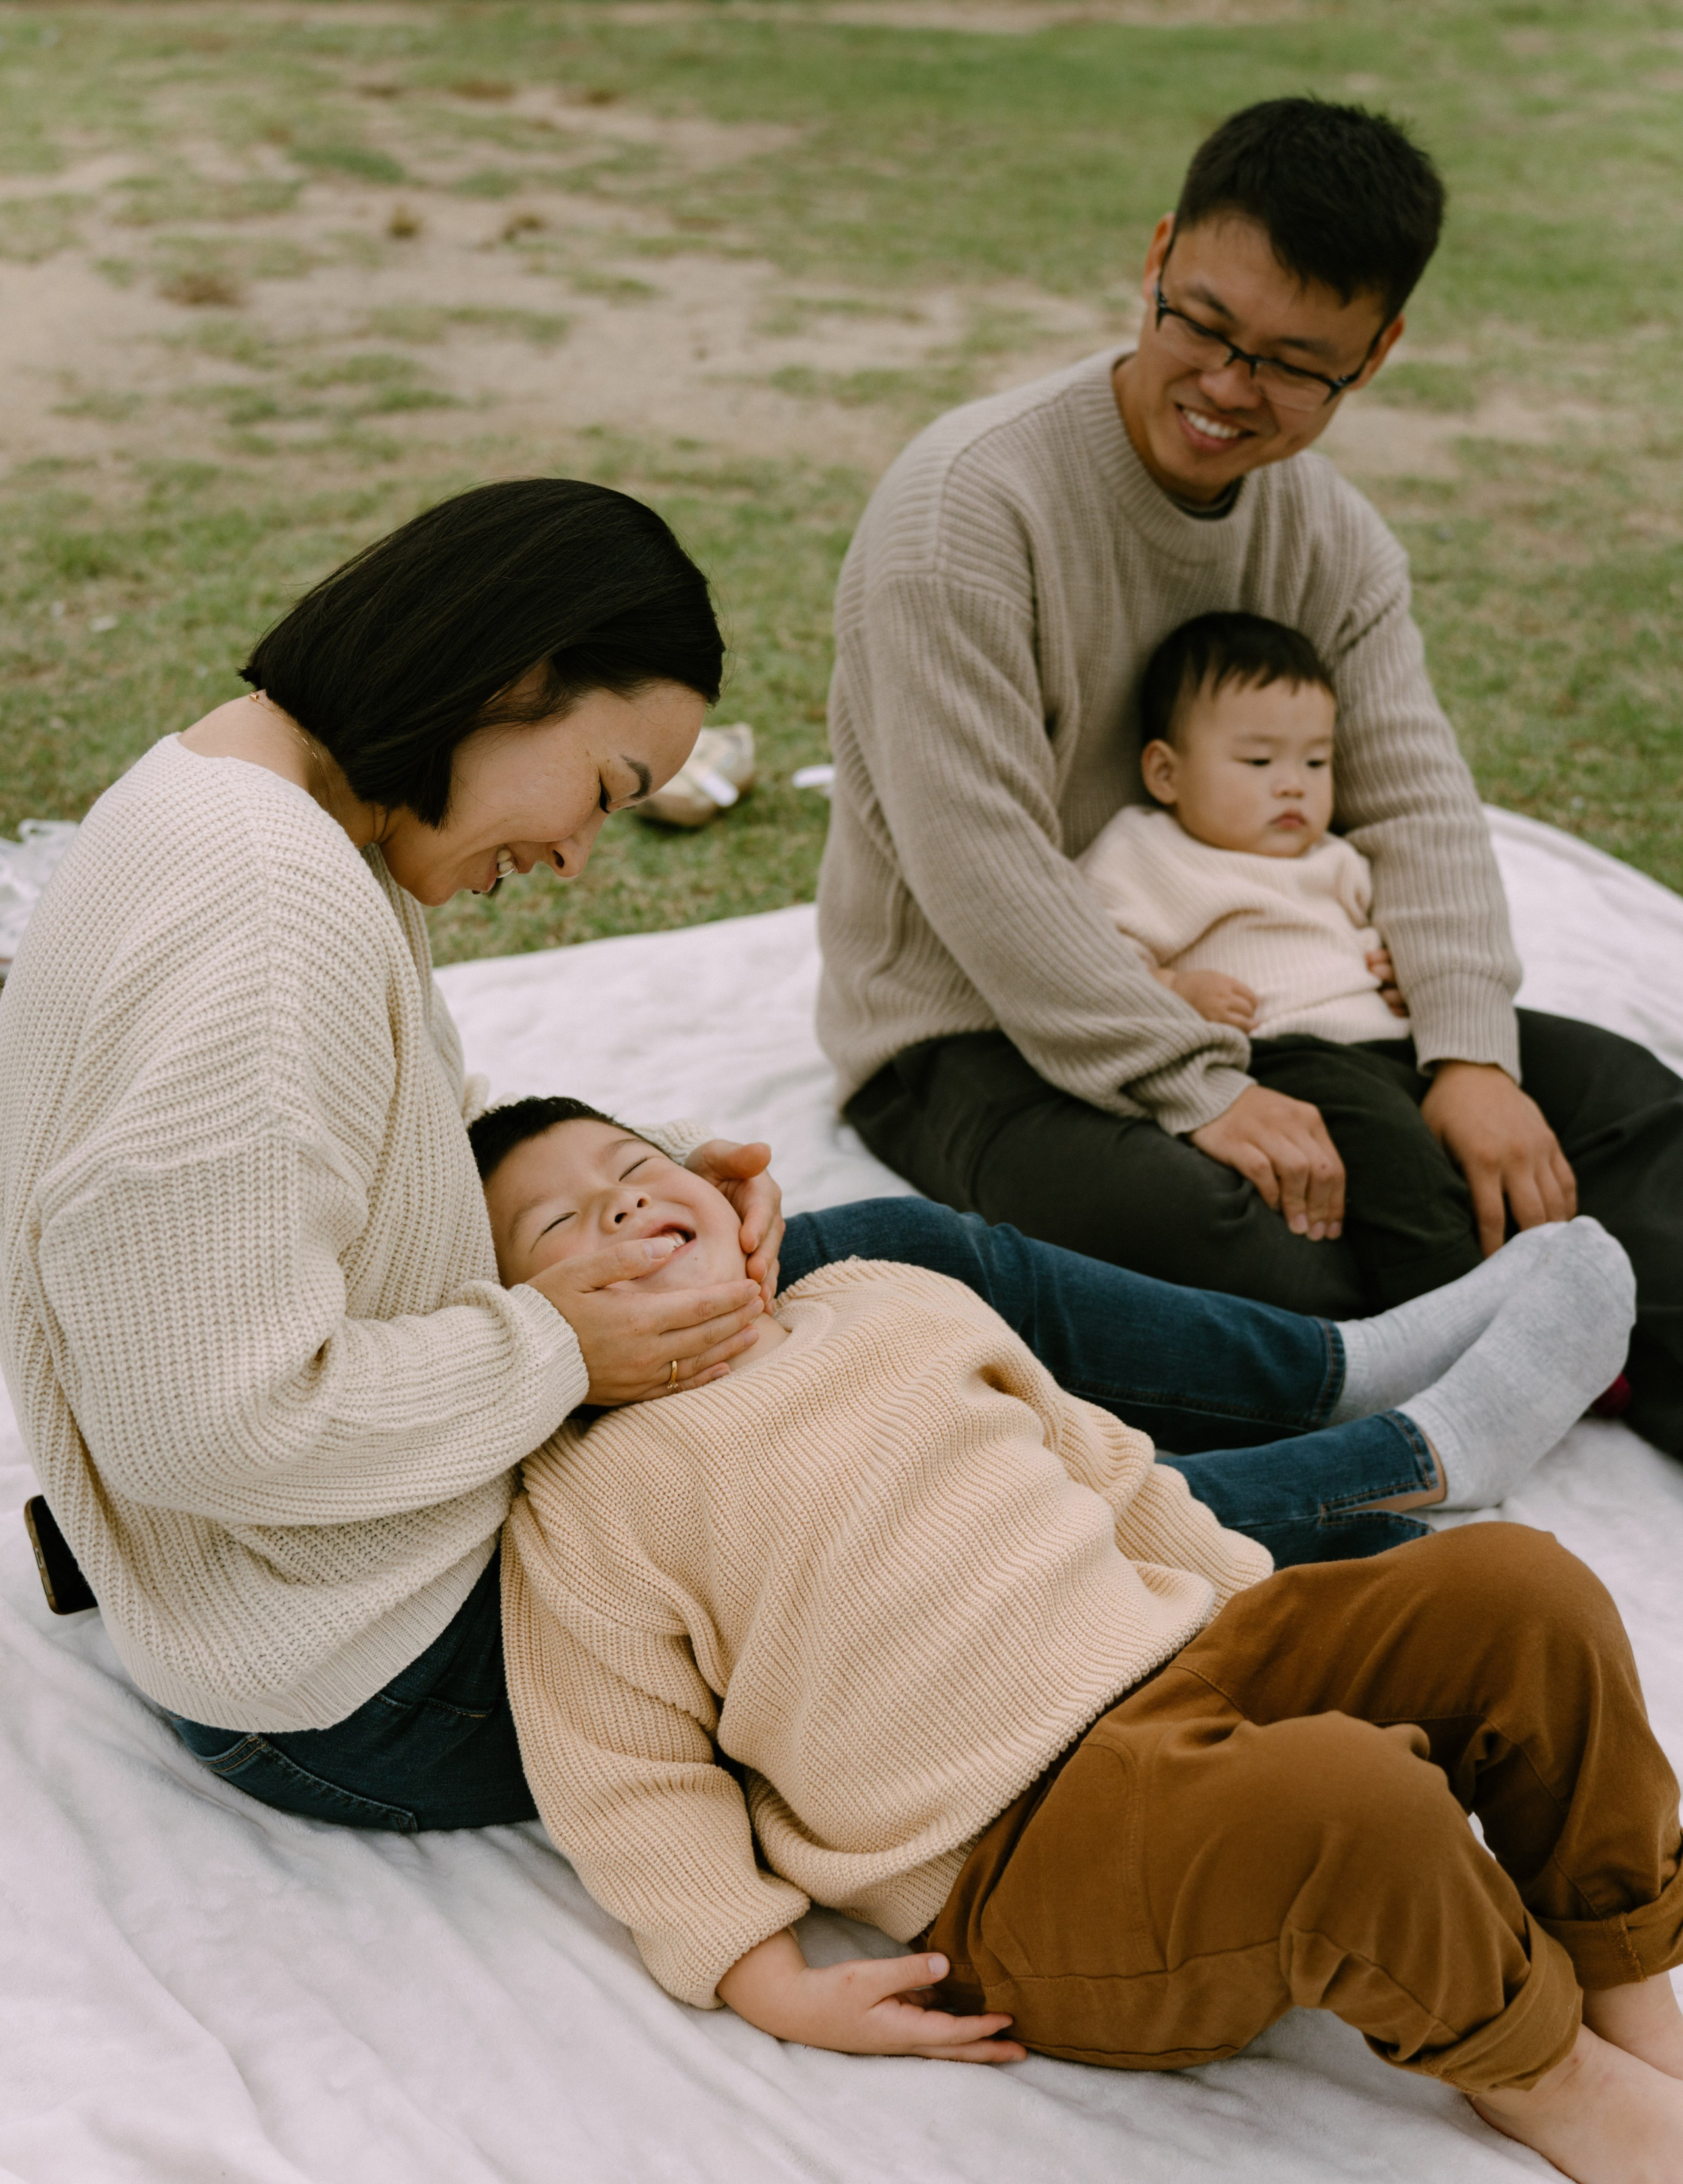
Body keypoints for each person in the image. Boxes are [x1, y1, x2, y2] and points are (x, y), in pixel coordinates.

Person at [0, 475, 1498, 1838]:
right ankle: (1402, 1459)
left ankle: (1325, 1367)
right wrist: (559, 1343)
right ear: (512, 679)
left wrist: (625, 1182)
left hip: (348, 1548)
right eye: (604, 787)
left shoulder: (270, 802)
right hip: (372, 1670)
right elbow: (205, 1428)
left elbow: (336, 1144)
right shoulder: (259, 921)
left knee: (884, 1269)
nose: (580, 858)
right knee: (903, 1482)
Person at [485, 1104, 1679, 2184]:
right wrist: (766, 1976)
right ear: (522, 1325)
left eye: (637, 1166)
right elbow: (626, 1774)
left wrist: (1284, 1637)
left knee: (1520, 1589)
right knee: (1355, 1805)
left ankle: (1619, 1956)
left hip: (1194, 1660)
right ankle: (1542, 2073)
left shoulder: (882, 1297)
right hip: (1029, 1857)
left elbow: (1107, 1466)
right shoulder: (590, 1493)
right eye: (562, 1223)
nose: (626, 1202)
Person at [818, 95, 1683, 1458]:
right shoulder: (964, 510)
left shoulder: (1331, 539)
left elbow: (1412, 800)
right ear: (1155, 255)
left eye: (1291, 363)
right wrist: (1194, 1083)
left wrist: (1464, 1050)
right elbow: (978, 861)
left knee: (1616, 1105)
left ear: (1377, 352)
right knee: (1238, 1240)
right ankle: (1487, 1343)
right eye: (1200, 324)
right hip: (976, 1036)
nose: (1226, 385)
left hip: (1294, 1005)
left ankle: (1585, 1351)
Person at [1078, 609, 1482, 1307]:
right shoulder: (1144, 851)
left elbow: (1378, 929)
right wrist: (1172, 987)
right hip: (1282, 1055)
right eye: (1259, 762)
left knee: (1484, 1130)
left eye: (1315, 761)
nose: (1293, 784)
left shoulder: (1334, 858)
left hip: (1385, 1046)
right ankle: (1464, 1319)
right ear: (1165, 772)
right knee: (1397, 1163)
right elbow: (1090, 961)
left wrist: (1395, 967)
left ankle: (1565, 1285)